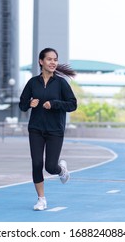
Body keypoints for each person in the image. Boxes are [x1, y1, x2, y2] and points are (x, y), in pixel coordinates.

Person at [19, 47, 77, 211]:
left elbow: (72, 104)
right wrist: (29, 103)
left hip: (55, 130)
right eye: (49, 59)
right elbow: (22, 105)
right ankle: (41, 199)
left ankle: (61, 169)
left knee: (50, 167)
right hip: (36, 129)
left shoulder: (61, 83)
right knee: (37, 164)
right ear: (41, 61)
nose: (53, 62)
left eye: (55, 59)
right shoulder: (32, 83)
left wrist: (54, 103)